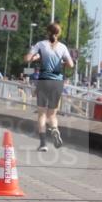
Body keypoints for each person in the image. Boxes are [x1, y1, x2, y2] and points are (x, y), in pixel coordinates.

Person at [24, 22, 74, 152]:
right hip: (57, 82)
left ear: (48, 32)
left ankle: (43, 143)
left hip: (44, 81)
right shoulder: (63, 47)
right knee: (52, 115)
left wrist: (33, 57)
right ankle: (55, 130)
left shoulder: (41, 44)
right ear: (59, 33)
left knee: (41, 114)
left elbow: (27, 58)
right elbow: (71, 64)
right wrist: (61, 62)